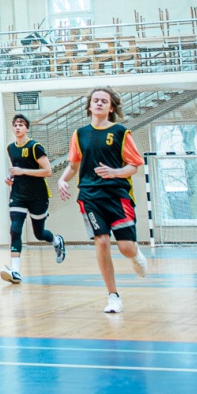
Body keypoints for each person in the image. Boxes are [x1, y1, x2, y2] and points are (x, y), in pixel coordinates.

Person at [56, 87, 151, 314]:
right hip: (90, 196)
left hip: (117, 195)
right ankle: (113, 296)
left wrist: (115, 172)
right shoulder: (79, 134)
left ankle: (135, 254)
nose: (99, 103)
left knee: (126, 248)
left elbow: (134, 166)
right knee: (102, 241)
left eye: (104, 101)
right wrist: (62, 179)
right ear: (89, 106)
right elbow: (73, 166)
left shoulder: (120, 132)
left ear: (111, 107)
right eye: (95, 100)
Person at [3, 113, 64, 284]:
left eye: (21, 125)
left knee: (39, 234)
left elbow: (48, 171)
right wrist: (11, 177)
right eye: (15, 125)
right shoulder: (10, 148)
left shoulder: (35, 147)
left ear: (27, 129)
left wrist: (22, 171)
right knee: (15, 229)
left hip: (38, 196)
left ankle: (56, 241)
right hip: (18, 195)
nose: (17, 127)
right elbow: (16, 169)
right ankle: (15, 270)